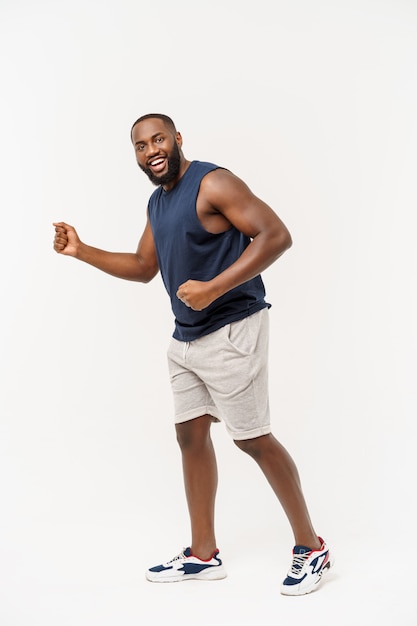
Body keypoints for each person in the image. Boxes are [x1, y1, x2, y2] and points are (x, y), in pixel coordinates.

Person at [53, 113, 333, 595]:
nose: (151, 150)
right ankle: (203, 556)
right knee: (190, 435)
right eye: (141, 145)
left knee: (253, 439)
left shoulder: (213, 182)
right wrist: (82, 251)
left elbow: (276, 235)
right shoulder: (158, 202)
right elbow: (144, 267)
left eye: (158, 139)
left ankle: (312, 548)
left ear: (177, 139)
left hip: (232, 330)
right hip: (186, 336)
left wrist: (214, 287)